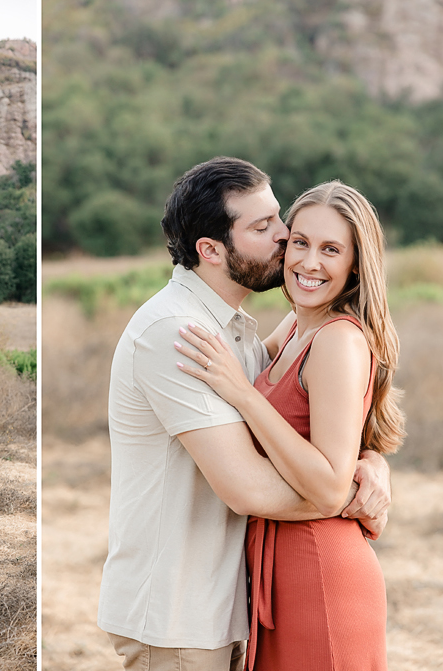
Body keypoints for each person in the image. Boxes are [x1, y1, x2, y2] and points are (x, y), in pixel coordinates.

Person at [98, 157, 391, 671]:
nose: (284, 237)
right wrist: (348, 494)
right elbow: (250, 488)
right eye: (266, 228)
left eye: (281, 220)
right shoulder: (179, 334)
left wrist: (369, 463)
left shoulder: (241, 332)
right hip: (179, 611)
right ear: (210, 250)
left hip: (236, 599)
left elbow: (317, 420)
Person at [175, 180, 404, 670]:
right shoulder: (301, 324)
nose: (309, 262)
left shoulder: (338, 340)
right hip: (276, 575)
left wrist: (240, 392)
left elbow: (326, 485)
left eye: (331, 249)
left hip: (319, 572)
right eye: (300, 242)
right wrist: (373, 460)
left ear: (356, 264)